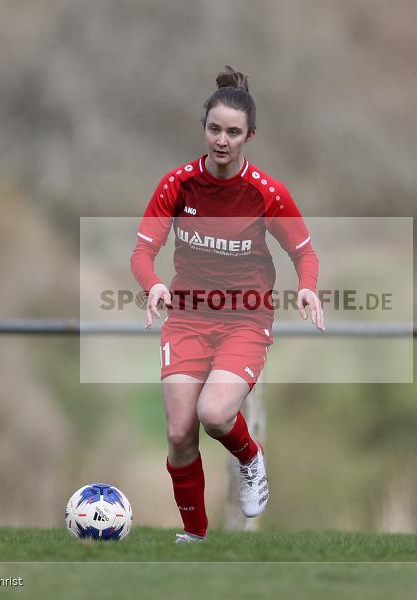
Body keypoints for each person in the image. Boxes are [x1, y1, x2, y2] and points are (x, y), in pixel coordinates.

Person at [130, 66, 324, 543]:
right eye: (214, 129)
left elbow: (304, 251)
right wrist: (153, 284)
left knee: (214, 414)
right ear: (204, 129)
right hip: (187, 319)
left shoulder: (267, 193)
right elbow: (142, 252)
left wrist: (308, 285)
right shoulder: (178, 185)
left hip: (244, 320)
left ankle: (249, 456)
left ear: (249, 136)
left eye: (233, 132)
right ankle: (195, 537)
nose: (222, 139)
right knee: (179, 433)